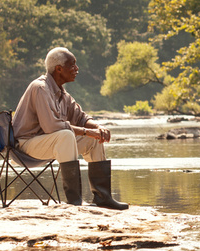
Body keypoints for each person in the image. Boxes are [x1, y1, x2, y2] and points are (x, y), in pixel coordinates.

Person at [13, 47, 128, 210]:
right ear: (59, 69)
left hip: (49, 143)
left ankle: (103, 197)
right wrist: (88, 131)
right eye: (72, 65)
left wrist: (98, 128)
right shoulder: (40, 88)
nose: (76, 69)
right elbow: (51, 126)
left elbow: (81, 117)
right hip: (25, 146)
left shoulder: (62, 94)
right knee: (66, 135)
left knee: (93, 139)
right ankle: (75, 201)